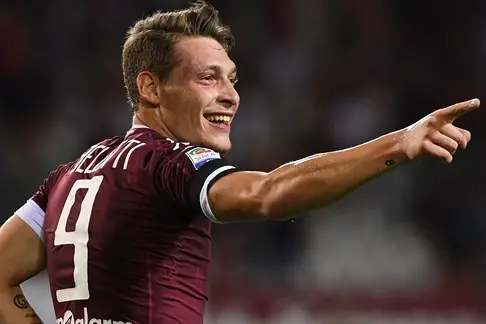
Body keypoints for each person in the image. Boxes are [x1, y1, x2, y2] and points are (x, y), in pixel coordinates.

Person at [0, 1, 480, 323]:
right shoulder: (168, 163)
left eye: (231, 79)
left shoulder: (72, 173)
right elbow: (268, 194)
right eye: (208, 78)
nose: (230, 95)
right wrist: (397, 145)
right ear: (151, 88)